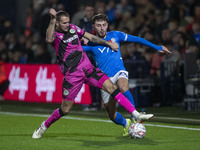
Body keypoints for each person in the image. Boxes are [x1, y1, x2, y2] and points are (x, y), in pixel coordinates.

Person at [32, 8, 154, 139]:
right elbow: (48, 38)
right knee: (65, 109)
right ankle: (44, 126)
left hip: (89, 70)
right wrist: (51, 20)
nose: (67, 25)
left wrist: (108, 43)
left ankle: (135, 114)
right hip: (73, 76)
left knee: (112, 88)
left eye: (68, 22)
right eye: (64, 23)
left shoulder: (73, 29)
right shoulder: (56, 36)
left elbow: (91, 37)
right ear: (57, 24)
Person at [82, 14, 171, 135]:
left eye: (104, 25)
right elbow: (76, 50)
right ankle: (126, 123)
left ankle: (135, 117)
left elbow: (137, 39)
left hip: (119, 71)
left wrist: (156, 47)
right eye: (98, 25)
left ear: (107, 25)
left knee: (124, 87)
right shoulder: (91, 43)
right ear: (93, 27)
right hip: (105, 80)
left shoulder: (116, 35)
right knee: (112, 115)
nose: (102, 28)